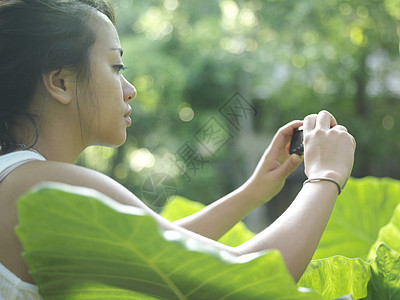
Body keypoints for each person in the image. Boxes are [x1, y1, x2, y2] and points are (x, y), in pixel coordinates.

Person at [0, 0, 356, 298]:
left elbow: (165, 250)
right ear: (60, 82)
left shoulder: (19, 180)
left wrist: (253, 192)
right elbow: (240, 282)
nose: (130, 89)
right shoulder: (47, 186)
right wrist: (325, 177)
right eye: (115, 66)